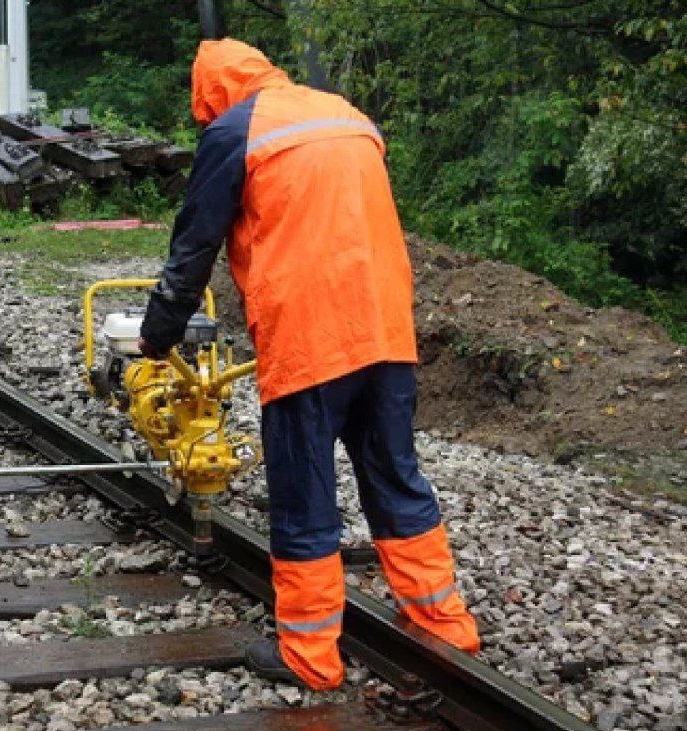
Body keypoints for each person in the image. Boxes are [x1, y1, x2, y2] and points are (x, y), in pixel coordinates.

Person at [137, 38, 481, 691]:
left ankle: (311, 657)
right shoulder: (345, 114)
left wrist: (158, 334)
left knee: (304, 494)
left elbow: (194, 247)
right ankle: (445, 627)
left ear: (210, 98)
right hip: (385, 328)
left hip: (310, 337)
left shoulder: (234, 131)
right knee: (395, 476)